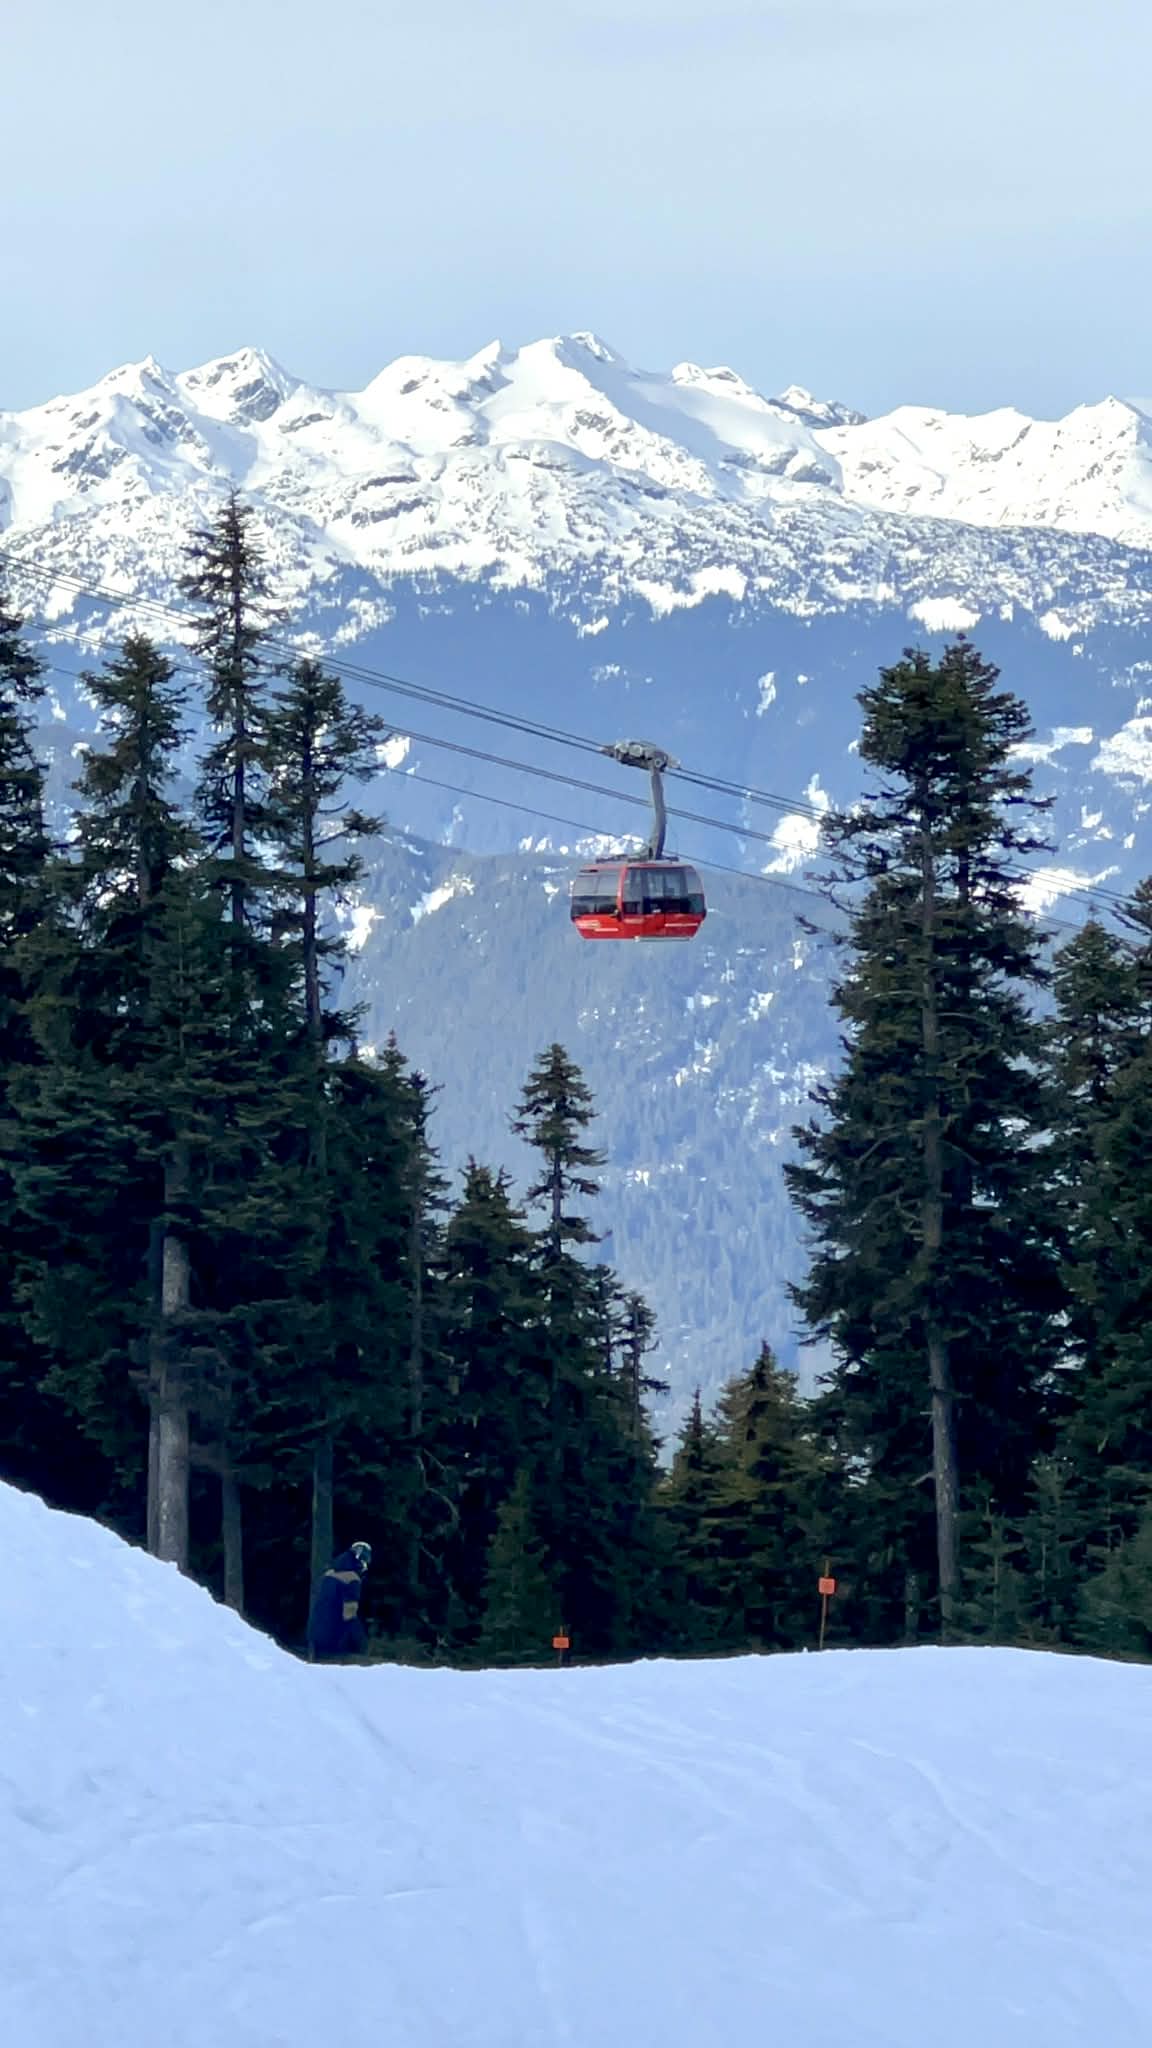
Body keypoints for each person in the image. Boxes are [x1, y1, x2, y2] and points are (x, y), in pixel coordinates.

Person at [307, 1540, 372, 1661]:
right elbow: (349, 1613)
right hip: (333, 1638)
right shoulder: (352, 1578)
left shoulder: (328, 1573)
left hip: (314, 1633)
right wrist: (361, 1643)